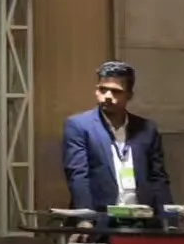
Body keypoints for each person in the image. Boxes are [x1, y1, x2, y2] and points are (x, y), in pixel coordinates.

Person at [62, 61, 172, 233]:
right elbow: (78, 175)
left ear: (129, 94)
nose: (107, 96)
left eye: (116, 91)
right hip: (101, 220)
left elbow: (158, 178)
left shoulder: (147, 129)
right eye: (102, 89)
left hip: (142, 220)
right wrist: (85, 219)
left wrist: (169, 220)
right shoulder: (80, 126)